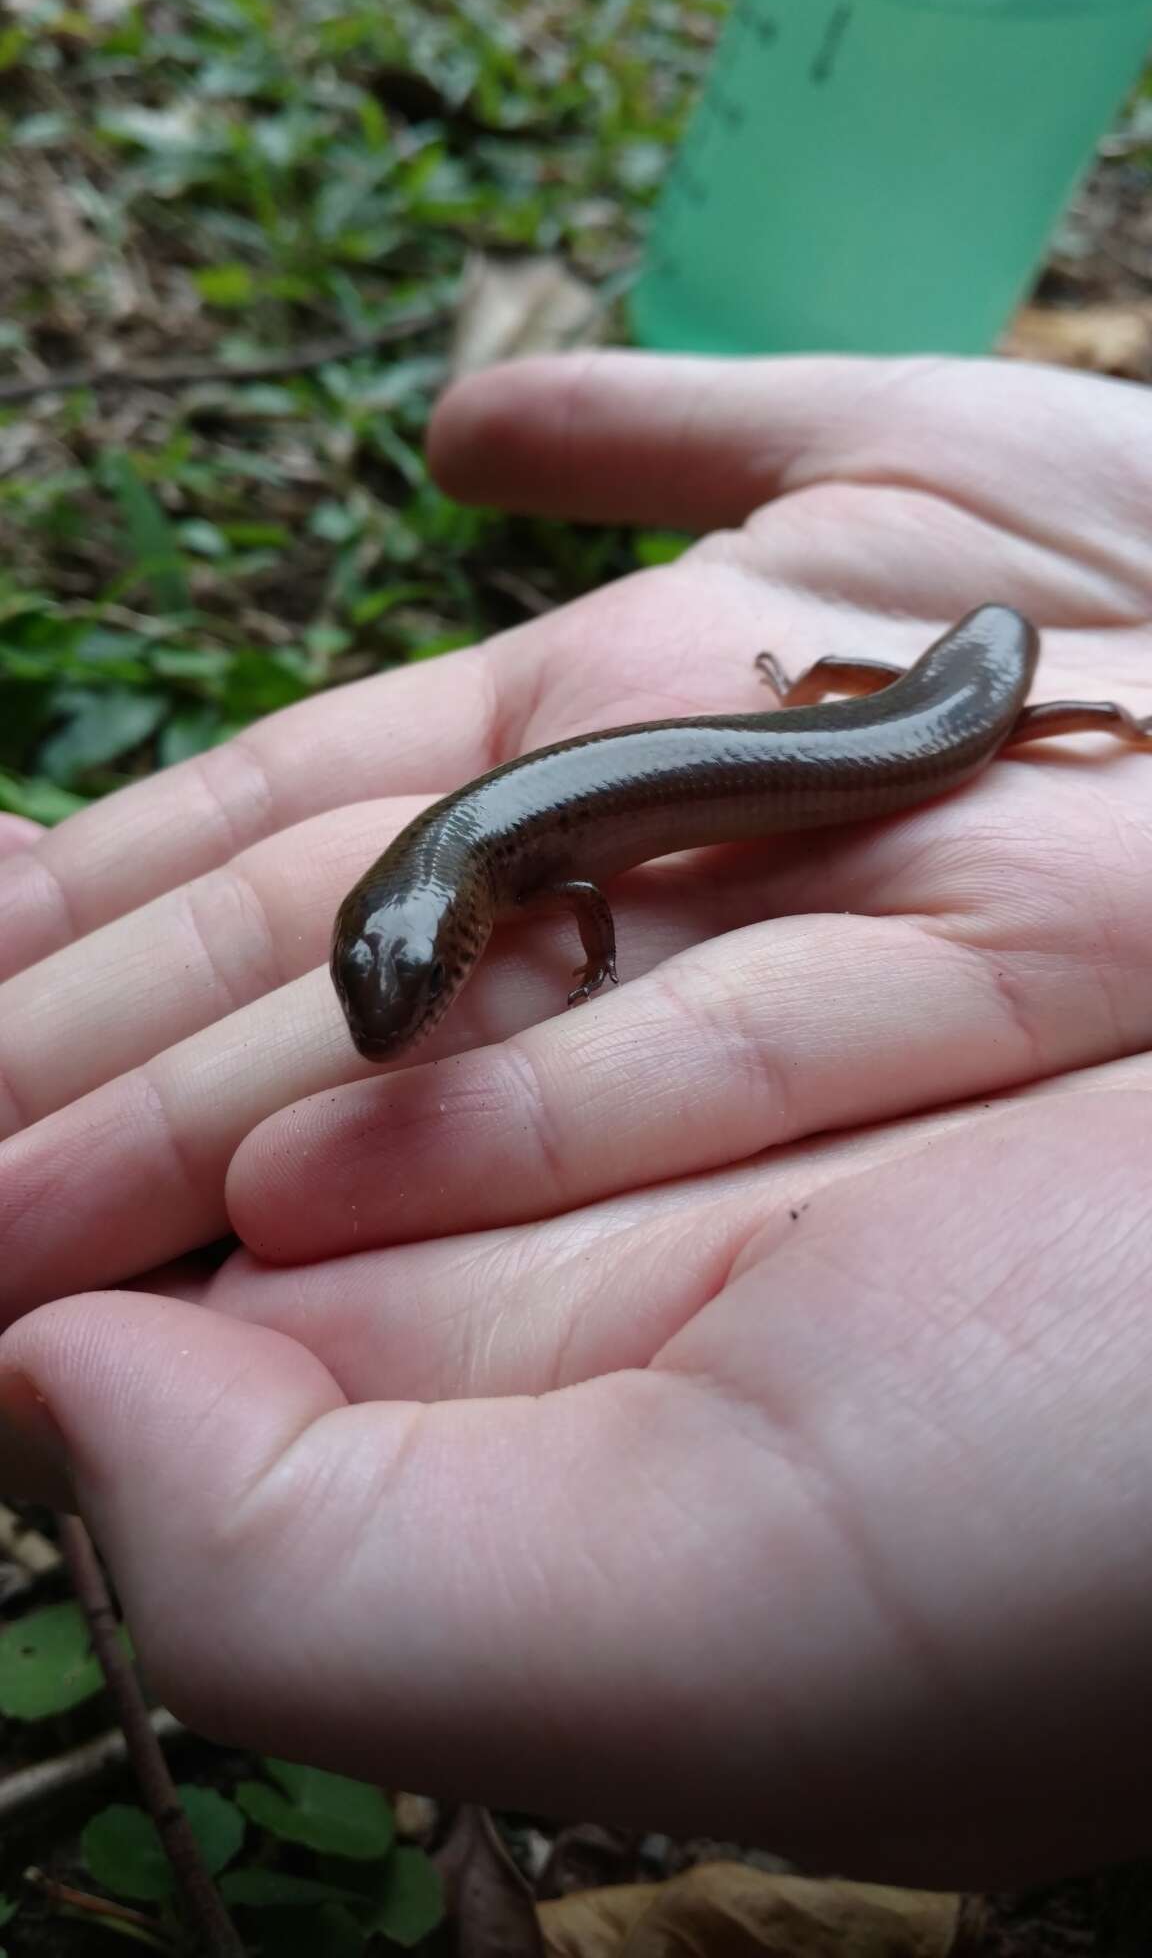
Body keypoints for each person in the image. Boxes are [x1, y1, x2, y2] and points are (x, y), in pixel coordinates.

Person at [0, 351, 1149, 1886]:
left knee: (998, 713)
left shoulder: (513, 865)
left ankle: (1084, 713)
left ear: (454, 913)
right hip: (904, 695)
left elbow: (593, 894)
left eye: (430, 973)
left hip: (949, 717)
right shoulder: (467, 868)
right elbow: (531, 904)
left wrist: (604, 963)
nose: (411, 1002)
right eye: (399, 976)